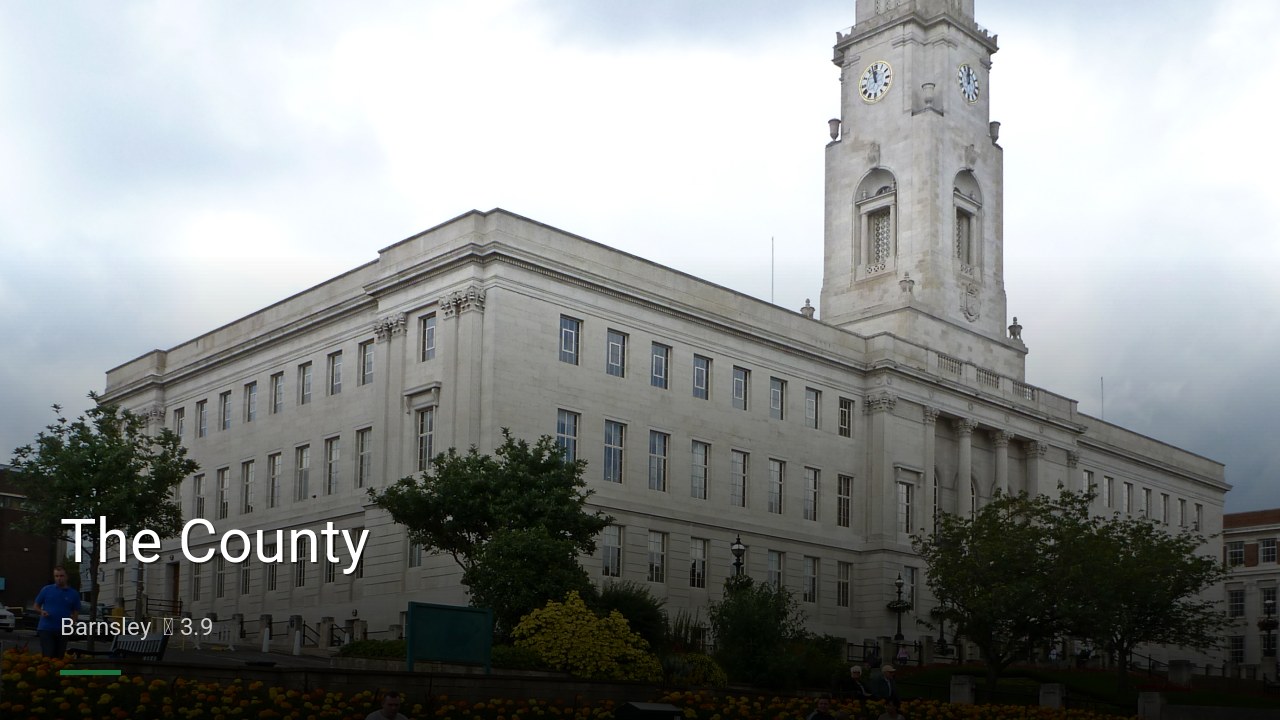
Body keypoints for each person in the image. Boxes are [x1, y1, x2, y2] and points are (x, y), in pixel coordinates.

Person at [33, 565, 80, 658]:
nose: (59, 578)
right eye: (56, 576)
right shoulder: (46, 590)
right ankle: (48, 671)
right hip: (46, 628)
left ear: (66, 577)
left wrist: (72, 623)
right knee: (48, 654)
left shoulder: (73, 594)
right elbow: (36, 605)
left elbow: (76, 611)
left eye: (61, 576)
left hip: (62, 629)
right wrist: (41, 611)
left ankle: (57, 672)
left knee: (59, 656)